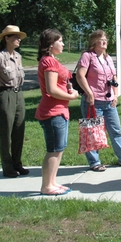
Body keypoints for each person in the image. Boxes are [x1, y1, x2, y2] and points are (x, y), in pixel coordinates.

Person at [75, 30, 121, 171]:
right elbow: (80, 76)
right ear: (93, 42)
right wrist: (89, 93)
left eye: (105, 39)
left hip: (109, 102)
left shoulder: (108, 58)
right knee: (92, 132)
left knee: (116, 130)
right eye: (101, 39)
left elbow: (114, 78)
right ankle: (94, 163)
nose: (104, 42)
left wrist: (115, 95)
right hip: (93, 102)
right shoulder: (87, 56)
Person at [35, 29, 80, 195]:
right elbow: (52, 90)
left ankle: (52, 182)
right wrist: (72, 96)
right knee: (53, 149)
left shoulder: (53, 61)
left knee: (59, 148)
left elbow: (60, 83)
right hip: (52, 111)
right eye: (59, 41)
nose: (62, 44)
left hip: (61, 110)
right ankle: (46, 186)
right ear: (50, 44)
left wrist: (69, 86)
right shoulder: (48, 62)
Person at [0, 25, 29, 178]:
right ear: (7, 38)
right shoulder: (0, 57)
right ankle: (7, 167)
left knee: (19, 130)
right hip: (5, 94)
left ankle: (17, 163)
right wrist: (0, 95)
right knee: (6, 132)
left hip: (19, 94)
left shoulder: (18, 57)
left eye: (19, 37)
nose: (19, 39)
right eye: (15, 37)